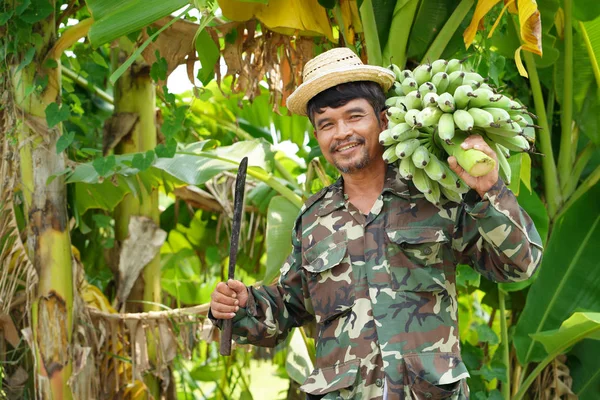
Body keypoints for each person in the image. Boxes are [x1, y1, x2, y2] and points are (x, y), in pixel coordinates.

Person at [209, 47, 543, 400]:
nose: (341, 133)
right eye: (326, 124)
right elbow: (289, 306)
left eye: (355, 117)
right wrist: (243, 304)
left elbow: (520, 266)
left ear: (382, 121)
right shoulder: (314, 219)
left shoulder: (435, 196)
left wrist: (490, 190)